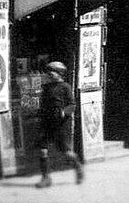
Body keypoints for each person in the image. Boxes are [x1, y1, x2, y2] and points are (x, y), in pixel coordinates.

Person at [36, 60, 83, 188]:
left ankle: (78, 166)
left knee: (65, 151)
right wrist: (40, 113)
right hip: (46, 122)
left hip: (60, 124)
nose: (49, 74)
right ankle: (46, 178)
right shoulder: (46, 87)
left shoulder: (65, 87)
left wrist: (63, 112)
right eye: (48, 72)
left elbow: (72, 105)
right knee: (43, 150)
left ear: (60, 74)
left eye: (52, 72)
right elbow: (44, 104)